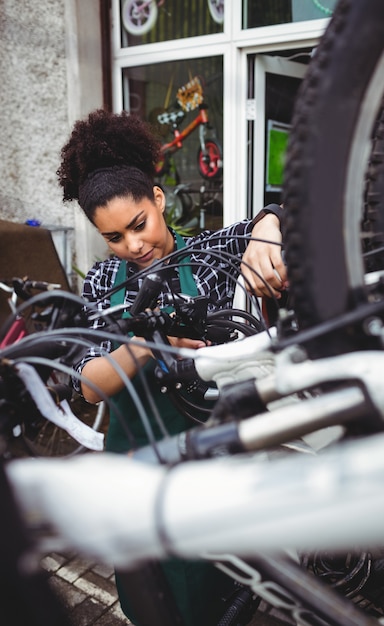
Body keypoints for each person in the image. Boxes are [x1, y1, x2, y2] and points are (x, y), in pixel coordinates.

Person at [56, 108, 287, 626]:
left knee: (218, 593)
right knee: (150, 597)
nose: (133, 246)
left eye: (139, 225)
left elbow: (278, 215)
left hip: (210, 460)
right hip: (136, 467)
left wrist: (268, 228)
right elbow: (88, 387)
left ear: (158, 200)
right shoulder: (101, 284)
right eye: (114, 237)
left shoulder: (209, 255)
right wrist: (147, 348)